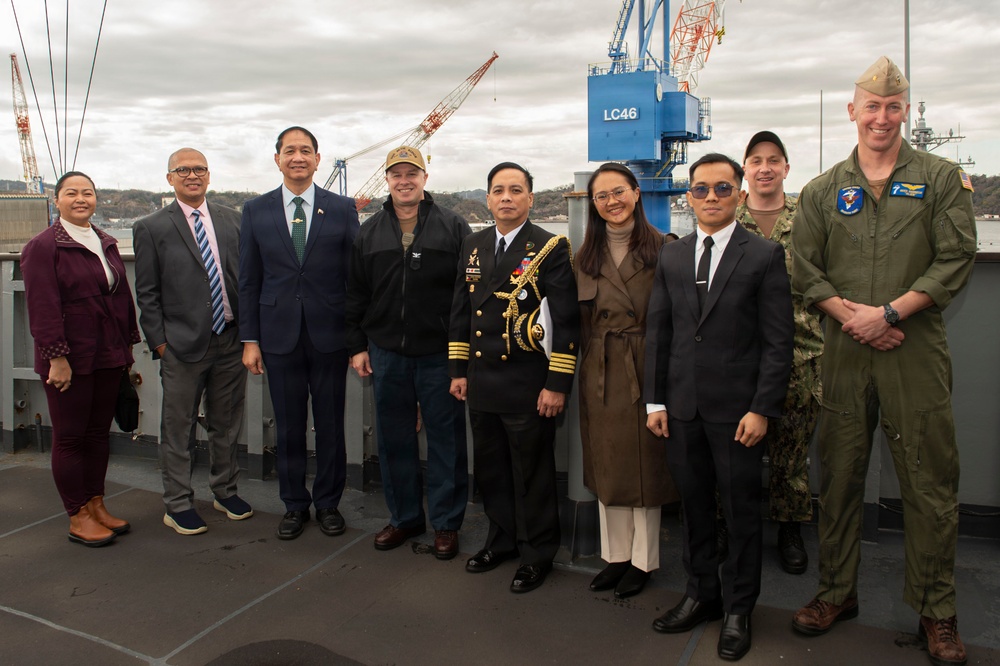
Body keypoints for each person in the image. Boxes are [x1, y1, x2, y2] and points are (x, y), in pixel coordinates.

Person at [790, 56, 977, 666]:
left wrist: (890, 314)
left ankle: (937, 611)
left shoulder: (942, 179)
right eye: (871, 105)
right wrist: (857, 319)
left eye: (893, 106)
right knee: (839, 478)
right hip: (845, 352)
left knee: (929, 482)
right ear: (853, 111)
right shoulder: (821, 190)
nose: (882, 117)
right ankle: (836, 593)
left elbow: (954, 258)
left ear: (904, 111)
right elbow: (805, 269)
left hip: (914, 351)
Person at [644, 153, 793, 661]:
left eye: (723, 189)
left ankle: (738, 608)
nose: (712, 197)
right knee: (694, 509)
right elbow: (658, 334)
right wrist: (656, 400)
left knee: (742, 511)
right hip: (682, 408)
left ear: (740, 194)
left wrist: (762, 408)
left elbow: (778, 343)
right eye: (702, 189)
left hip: (738, 414)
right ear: (689, 196)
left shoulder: (764, 256)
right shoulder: (673, 256)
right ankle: (701, 593)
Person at [448, 162, 579, 593]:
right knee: (492, 471)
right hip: (483, 381)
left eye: (516, 190)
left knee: (532, 475)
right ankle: (500, 541)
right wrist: (458, 370)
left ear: (529, 198)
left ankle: (538, 553)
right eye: (498, 190)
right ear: (487, 198)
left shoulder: (550, 246)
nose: (506, 197)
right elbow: (462, 313)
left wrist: (557, 383)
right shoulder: (473, 243)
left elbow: (566, 321)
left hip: (527, 385)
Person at [346, 146, 471, 559]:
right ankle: (404, 518)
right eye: (396, 174)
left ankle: (446, 524)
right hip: (386, 353)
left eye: (411, 173)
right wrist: (359, 346)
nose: (404, 180)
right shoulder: (369, 231)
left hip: (438, 354)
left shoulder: (453, 227)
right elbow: (356, 294)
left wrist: (460, 356)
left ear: (424, 178)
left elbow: (466, 297)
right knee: (394, 439)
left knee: (446, 442)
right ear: (387, 180)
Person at [239, 127, 360, 540]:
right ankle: (294, 504)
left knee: (330, 424)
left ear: (317, 158)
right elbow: (249, 281)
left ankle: (328, 503)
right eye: (289, 151)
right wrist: (249, 340)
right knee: (288, 426)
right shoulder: (255, 211)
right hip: (277, 337)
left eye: (305, 150)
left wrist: (355, 338)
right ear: (277, 159)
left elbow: (354, 279)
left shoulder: (342, 208)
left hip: (330, 335)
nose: (297, 157)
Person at [133, 148, 250, 536]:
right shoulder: (151, 226)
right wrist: (161, 344)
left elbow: (243, 280)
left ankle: (225, 490)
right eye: (183, 170)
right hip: (181, 348)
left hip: (229, 342)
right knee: (178, 427)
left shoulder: (233, 220)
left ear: (209, 175)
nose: (192, 175)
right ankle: (178, 502)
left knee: (227, 424)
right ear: (170, 178)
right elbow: (147, 293)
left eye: (199, 169)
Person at [21, 171, 141, 547]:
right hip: (69, 358)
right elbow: (42, 307)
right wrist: (56, 358)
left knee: (96, 434)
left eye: (87, 193)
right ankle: (77, 514)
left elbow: (120, 298)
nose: (80, 199)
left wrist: (127, 347)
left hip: (107, 352)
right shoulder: (44, 246)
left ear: (96, 199)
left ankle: (96, 502)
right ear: (56, 200)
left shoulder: (104, 240)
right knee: (71, 437)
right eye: (71, 193)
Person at [575, 163, 678, 599]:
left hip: (647, 365)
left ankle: (643, 560)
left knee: (646, 468)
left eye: (619, 192)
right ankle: (615, 556)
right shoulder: (583, 258)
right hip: (600, 368)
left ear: (637, 194)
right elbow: (578, 323)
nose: (612, 202)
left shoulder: (666, 249)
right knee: (608, 464)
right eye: (602, 196)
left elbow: (675, 319)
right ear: (593, 204)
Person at [734, 131, 823, 574]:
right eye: (755, 160)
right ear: (745, 169)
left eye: (774, 160)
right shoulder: (725, 217)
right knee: (734, 450)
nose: (765, 167)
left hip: (801, 354)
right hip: (739, 356)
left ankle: (790, 528)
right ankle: (729, 527)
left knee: (792, 452)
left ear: (786, 168)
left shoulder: (809, 217)